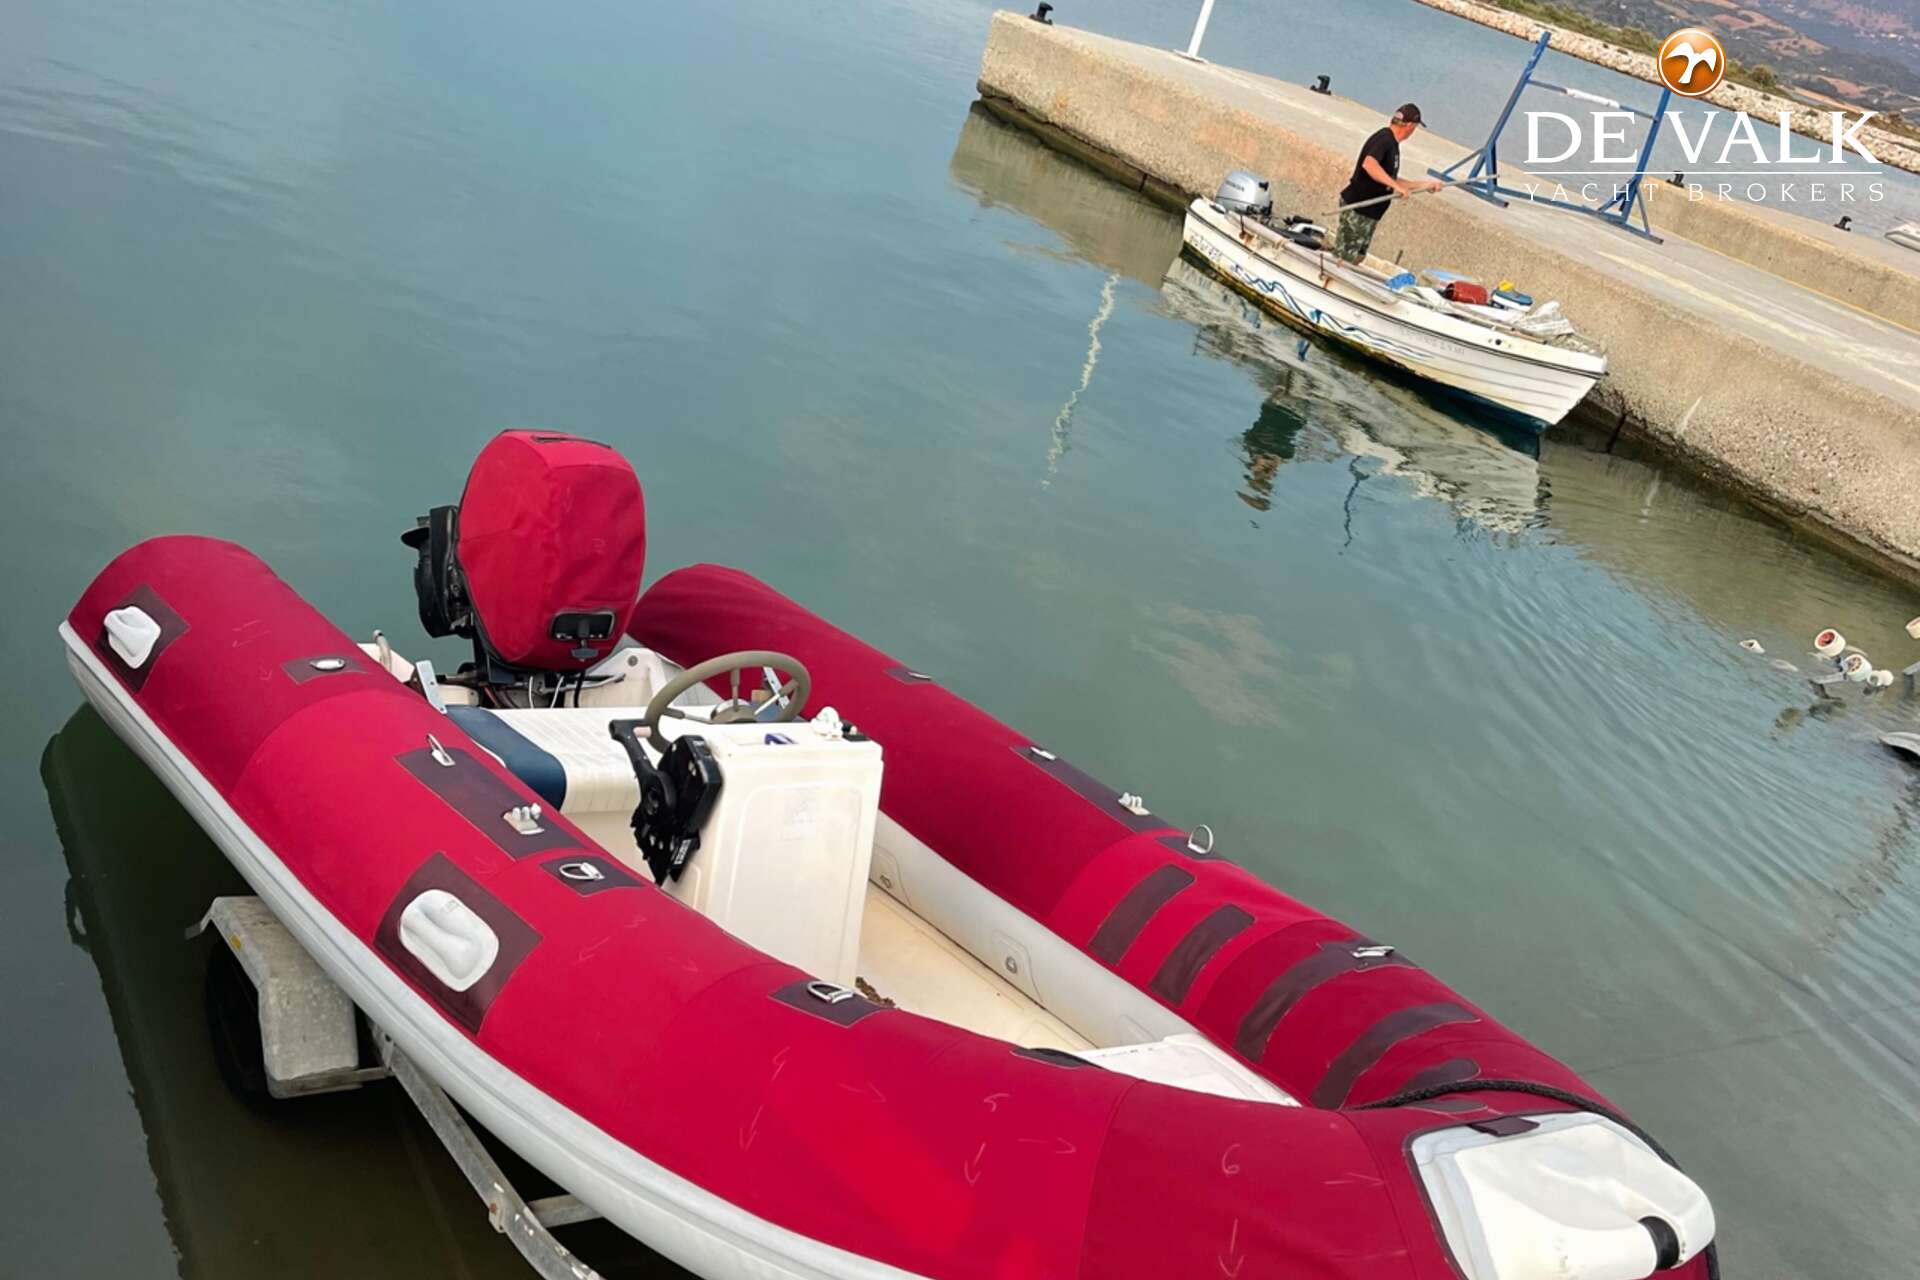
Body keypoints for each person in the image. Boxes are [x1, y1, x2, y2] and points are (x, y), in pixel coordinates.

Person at [1335, 104, 1442, 264]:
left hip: (1371, 213)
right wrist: (1397, 188)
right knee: (1345, 257)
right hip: (1359, 208)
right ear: (1410, 126)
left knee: (1358, 257)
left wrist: (1424, 185)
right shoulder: (1384, 139)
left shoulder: (1393, 145)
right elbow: (1369, 164)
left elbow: (1390, 178)